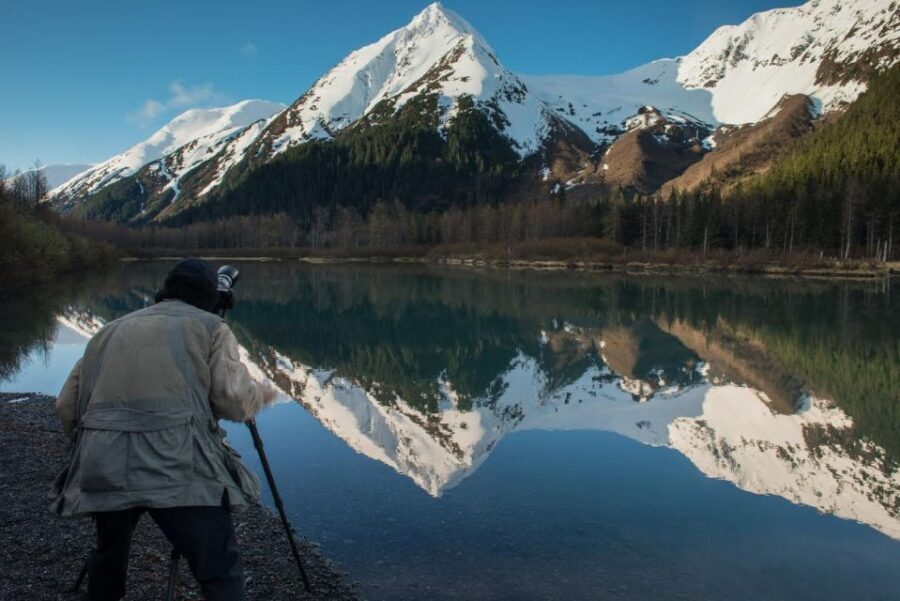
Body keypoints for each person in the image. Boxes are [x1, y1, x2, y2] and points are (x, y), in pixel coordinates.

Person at [51, 258, 277, 601]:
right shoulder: (210, 327)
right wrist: (259, 396)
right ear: (210, 297)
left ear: (165, 291)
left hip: (103, 462)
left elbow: (66, 405)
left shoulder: (108, 330)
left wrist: (101, 440)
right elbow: (232, 400)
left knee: (110, 552)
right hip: (179, 467)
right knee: (219, 568)